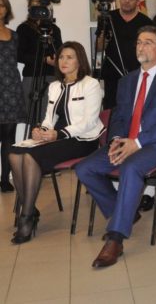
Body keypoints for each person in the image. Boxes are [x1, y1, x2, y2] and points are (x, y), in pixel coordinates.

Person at [75, 26, 156, 268]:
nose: (141, 46)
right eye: (138, 42)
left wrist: (137, 142)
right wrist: (117, 140)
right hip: (127, 141)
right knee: (84, 168)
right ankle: (125, 212)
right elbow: (119, 116)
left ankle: (116, 237)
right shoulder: (127, 81)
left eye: (147, 42)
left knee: (131, 167)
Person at [9, 41, 103, 243]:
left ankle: (26, 216)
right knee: (15, 154)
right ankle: (30, 208)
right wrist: (41, 130)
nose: (63, 61)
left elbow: (89, 122)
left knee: (30, 157)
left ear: (80, 61)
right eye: (61, 57)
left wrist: (58, 135)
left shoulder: (91, 84)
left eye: (69, 57)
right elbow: (49, 119)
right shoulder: (54, 86)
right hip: (57, 136)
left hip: (83, 139)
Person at [98, 0, 154, 109]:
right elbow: (99, 48)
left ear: (138, 1)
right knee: (111, 112)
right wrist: (103, 39)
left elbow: (151, 52)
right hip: (112, 76)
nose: (127, 0)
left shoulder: (146, 23)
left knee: (136, 110)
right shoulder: (107, 18)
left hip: (137, 75)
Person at [16, 0, 63, 117]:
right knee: (32, 116)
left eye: (40, 5)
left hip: (51, 77)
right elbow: (19, 56)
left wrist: (56, 59)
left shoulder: (54, 29)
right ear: (29, 8)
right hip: (32, 77)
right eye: (34, 5)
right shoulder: (23, 28)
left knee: (49, 116)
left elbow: (60, 51)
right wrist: (44, 60)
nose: (38, 8)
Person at [0, 0, 26, 193]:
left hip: (11, 89)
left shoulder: (15, 35)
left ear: (7, 9)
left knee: (9, 136)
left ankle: (5, 180)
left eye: (2, 5)